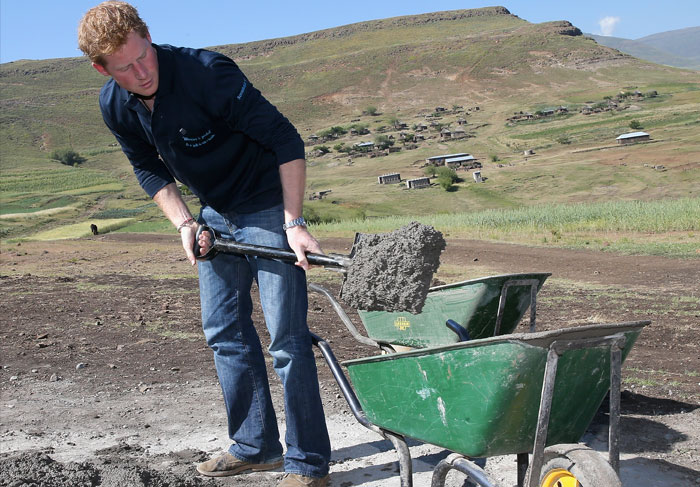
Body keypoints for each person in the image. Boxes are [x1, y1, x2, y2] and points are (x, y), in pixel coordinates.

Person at [77, 2, 330, 486]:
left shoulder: (206, 73)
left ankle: (308, 466)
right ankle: (256, 447)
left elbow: (286, 139)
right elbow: (147, 167)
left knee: (286, 341)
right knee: (223, 332)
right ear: (102, 69)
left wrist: (293, 221)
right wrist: (183, 223)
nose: (142, 71)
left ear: (149, 36)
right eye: (126, 67)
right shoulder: (115, 104)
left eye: (144, 55)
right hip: (215, 213)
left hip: (265, 205)